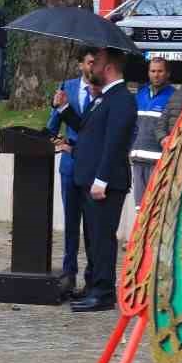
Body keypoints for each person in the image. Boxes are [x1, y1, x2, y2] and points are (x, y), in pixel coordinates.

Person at [56, 47, 135, 313]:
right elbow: (87, 131)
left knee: (102, 238)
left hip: (106, 183)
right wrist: (65, 108)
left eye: (97, 63)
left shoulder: (121, 99)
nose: (93, 68)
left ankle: (103, 292)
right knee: (93, 237)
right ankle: (93, 285)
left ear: (109, 67)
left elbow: (114, 143)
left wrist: (101, 179)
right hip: (89, 181)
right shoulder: (103, 97)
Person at [47, 48, 101, 299]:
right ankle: (69, 273)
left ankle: (92, 277)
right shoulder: (66, 86)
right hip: (70, 164)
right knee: (70, 222)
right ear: (80, 64)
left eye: (97, 63)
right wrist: (56, 107)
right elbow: (52, 126)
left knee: (92, 225)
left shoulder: (102, 90)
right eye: (90, 62)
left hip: (91, 165)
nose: (94, 67)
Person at [129, 57, 175, 207]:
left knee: (155, 209)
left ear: (167, 73)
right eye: (153, 71)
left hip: (159, 162)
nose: (156, 75)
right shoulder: (140, 94)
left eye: (160, 71)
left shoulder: (174, 96)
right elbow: (133, 125)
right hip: (138, 160)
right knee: (140, 209)